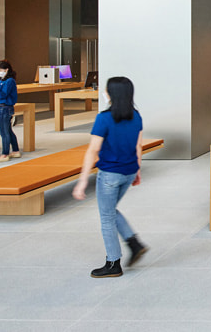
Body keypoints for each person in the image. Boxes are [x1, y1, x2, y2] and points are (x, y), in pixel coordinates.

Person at [72, 76, 148, 278]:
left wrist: (82, 181)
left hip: (110, 174)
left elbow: (93, 150)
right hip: (128, 170)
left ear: (110, 94)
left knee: (106, 216)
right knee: (110, 210)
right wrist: (137, 170)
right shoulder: (137, 116)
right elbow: (138, 146)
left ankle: (113, 262)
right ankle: (134, 242)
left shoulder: (104, 118)